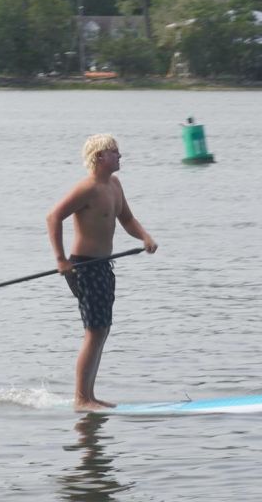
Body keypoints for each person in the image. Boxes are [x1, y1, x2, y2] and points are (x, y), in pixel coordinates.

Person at [46, 134, 157, 410]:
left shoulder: (115, 185)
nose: (120, 156)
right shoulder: (87, 189)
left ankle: (90, 396)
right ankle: (81, 399)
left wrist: (145, 237)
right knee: (94, 331)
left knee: (103, 330)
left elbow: (127, 219)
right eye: (114, 152)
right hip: (84, 267)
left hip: (104, 266)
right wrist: (61, 259)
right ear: (99, 157)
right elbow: (53, 217)